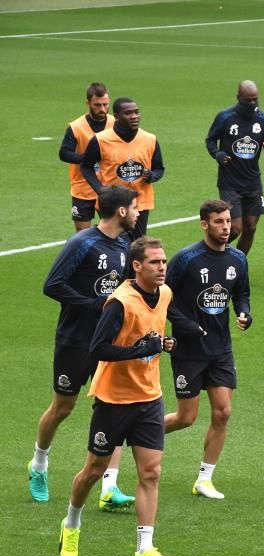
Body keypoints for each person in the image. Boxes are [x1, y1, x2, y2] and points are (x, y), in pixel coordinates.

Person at [58, 236, 180, 556]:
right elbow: (97, 349)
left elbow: (149, 335)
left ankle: (145, 548)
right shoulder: (120, 302)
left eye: (164, 261)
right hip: (114, 400)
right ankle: (71, 524)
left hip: (149, 397)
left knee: (151, 472)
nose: (162, 267)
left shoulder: (165, 294)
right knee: (93, 471)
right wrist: (140, 349)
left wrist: (161, 344)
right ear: (137, 265)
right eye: (155, 262)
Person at [29, 185, 137, 508]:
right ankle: (38, 464)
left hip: (107, 342)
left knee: (114, 408)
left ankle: (109, 487)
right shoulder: (83, 243)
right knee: (63, 407)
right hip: (75, 340)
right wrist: (94, 304)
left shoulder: (125, 245)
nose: (137, 212)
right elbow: (52, 285)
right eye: (134, 207)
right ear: (120, 211)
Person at [162, 200, 251, 500]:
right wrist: (185, 325)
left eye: (227, 221)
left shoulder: (238, 259)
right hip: (189, 350)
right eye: (218, 222)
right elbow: (162, 298)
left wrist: (244, 313)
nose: (226, 227)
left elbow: (241, 294)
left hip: (220, 349)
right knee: (186, 418)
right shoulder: (186, 259)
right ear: (204, 224)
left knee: (223, 411)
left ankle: (204, 479)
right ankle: (138, 433)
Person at [204, 80, 264, 254]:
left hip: (253, 183)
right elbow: (210, 140)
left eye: (255, 100)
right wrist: (218, 154)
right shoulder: (225, 117)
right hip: (230, 182)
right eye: (248, 100)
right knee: (234, 229)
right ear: (238, 98)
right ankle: (209, 253)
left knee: (250, 227)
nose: (252, 104)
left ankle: (238, 263)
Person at [80, 97, 165, 242]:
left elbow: (159, 168)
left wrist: (151, 176)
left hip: (140, 203)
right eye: (128, 113)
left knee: (137, 246)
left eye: (136, 112)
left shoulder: (150, 139)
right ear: (117, 117)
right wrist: (101, 190)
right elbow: (86, 166)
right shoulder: (100, 140)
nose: (134, 116)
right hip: (111, 203)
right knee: (113, 244)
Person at [60, 82, 112, 232]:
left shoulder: (115, 123)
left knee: (113, 233)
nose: (102, 109)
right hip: (83, 187)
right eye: (97, 105)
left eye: (105, 104)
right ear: (88, 103)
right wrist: (87, 159)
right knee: (82, 236)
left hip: (108, 186)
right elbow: (64, 153)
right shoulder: (76, 127)